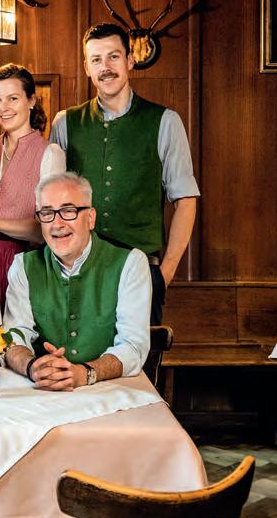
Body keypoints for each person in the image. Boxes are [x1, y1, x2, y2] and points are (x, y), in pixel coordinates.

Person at [50, 23, 198, 326]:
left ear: (130, 60)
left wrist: (164, 275)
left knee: (139, 357)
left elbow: (185, 200)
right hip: (78, 272)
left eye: (113, 56)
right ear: (87, 68)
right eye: (96, 59)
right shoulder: (64, 123)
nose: (105, 67)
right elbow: (51, 203)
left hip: (142, 271)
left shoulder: (165, 121)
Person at [3, 172, 149, 390]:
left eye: (68, 211)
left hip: (109, 388)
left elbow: (133, 346)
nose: (57, 223)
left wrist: (86, 373)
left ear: (90, 218)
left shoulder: (131, 263)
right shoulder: (23, 266)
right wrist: (33, 367)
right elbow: (13, 337)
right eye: (47, 213)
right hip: (43, 390)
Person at [0, 64, 65, 311]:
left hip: (25, 267)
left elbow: (44, 229)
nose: (4, 108)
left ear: (31, 100)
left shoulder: (50, 154)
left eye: (13, 98)